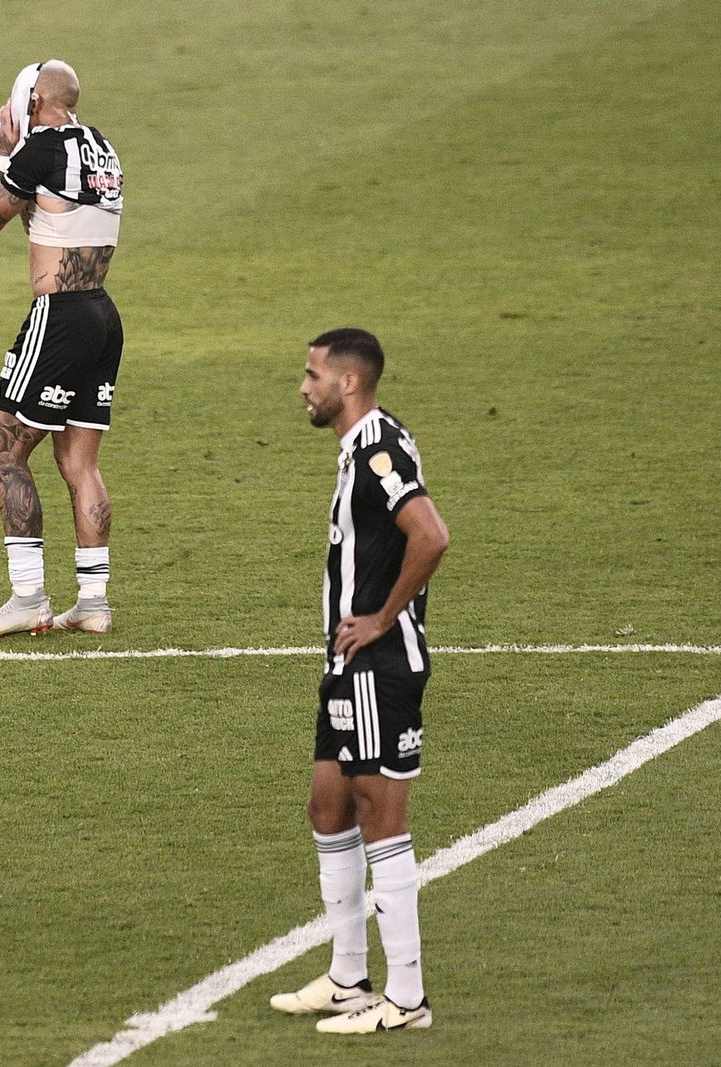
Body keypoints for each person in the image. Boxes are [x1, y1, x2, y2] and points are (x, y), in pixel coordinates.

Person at [270, 328, 450, 1034]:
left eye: (313, 374)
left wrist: (379, 618)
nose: (304, 386)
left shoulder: (379, 452)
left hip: (379, 661)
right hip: (344, 665)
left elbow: (431, 534)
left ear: (347, 383)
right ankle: (349, 976)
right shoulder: (364, 444)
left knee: (381, 819)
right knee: (328, 806)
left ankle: (406, 996)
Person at [0, 59, 124, 637]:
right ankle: (93, 603)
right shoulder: (101, 150)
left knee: (3, 452)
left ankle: (28, 596)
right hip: (104, 316)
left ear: (32, 101)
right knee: (79, 462)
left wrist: (5, 157)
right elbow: (55, 215)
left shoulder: (38, 152)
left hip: (59, 316)